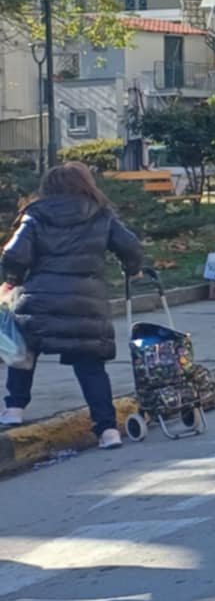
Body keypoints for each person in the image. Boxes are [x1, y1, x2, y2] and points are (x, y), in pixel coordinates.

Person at [1, 162, 147, 448]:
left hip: (38, 301)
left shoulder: (35, 215)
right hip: (86, 303)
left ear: (48, 187)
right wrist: (133, 269)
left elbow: (14, 254)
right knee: (90, 367)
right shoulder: (101, 214)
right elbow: (130, 246)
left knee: (23, 351)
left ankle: (14, 410)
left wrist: (13, 279)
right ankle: (107, 431)